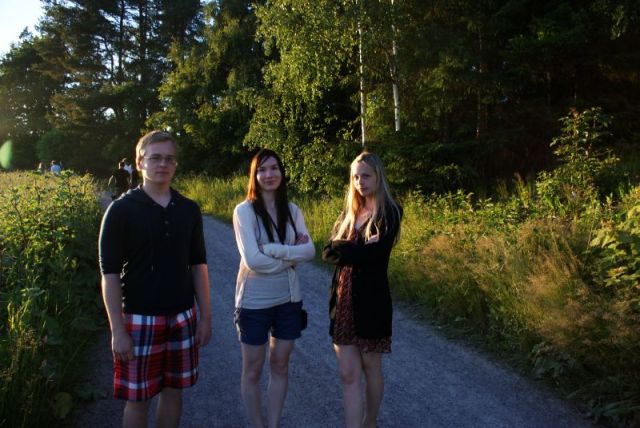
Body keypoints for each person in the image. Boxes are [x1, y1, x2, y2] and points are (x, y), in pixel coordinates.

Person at [98, 130, 212, 428]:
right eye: (155, 158)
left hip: (183, 316)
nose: (163, 164)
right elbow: (109, 274)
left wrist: (205, 317)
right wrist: (117, 330)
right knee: (138, 400)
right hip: (138, 318)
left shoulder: (189, 209)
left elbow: (198, 265)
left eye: (169, 159)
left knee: (174, 392)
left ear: (176, 164)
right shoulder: (120, 210)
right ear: (139, 162)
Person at [232, 148, 315, 428]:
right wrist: (292, 256)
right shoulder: (243, 211)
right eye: (262, 170)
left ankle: (274, 423)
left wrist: (275, 250)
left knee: (280, 364)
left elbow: (310, 251)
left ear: (282, 172)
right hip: (253, 302)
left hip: (289, 300)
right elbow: (253, 260)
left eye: (274, 168)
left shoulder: (293, 211)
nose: (269, 175)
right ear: (254, 176)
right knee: (253, 370)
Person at [322, 152, 402, 428]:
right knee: (347, 374)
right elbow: (327, 252)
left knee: (370, 368)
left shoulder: (390, 212)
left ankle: (369, 422)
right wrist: (356, 249)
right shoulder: (349, 213)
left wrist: (344, 248)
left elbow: (375, 256)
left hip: (371, 303)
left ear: (378, 176)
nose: (360, 182)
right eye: (355, 177)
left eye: (366, 176)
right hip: (342, 303)